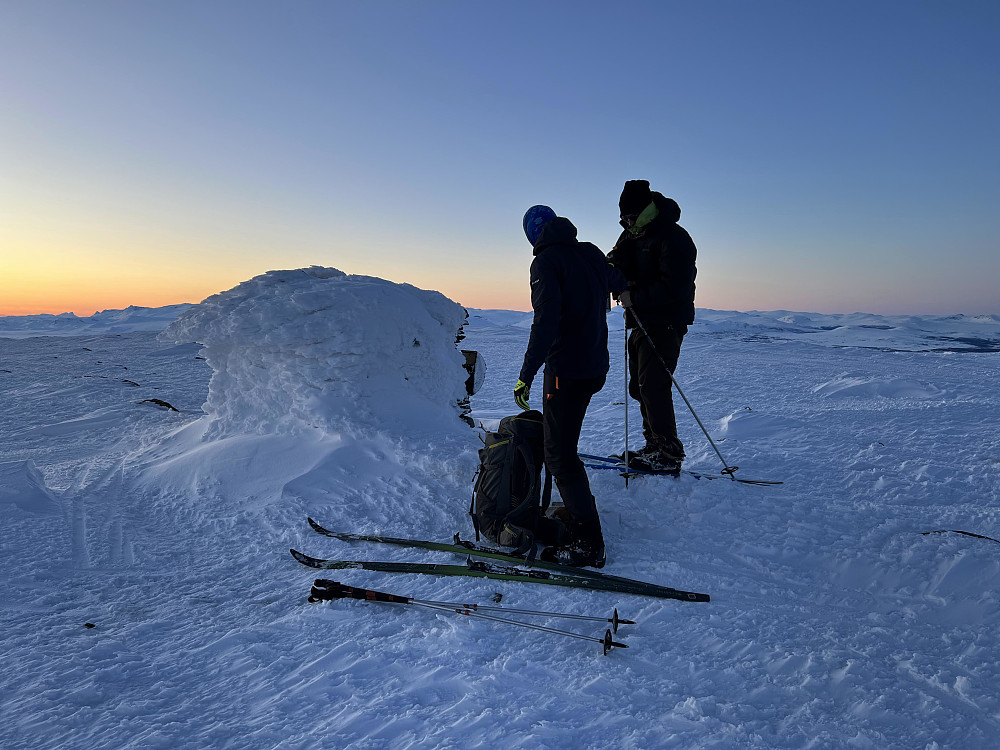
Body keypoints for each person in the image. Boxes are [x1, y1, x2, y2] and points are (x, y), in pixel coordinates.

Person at [514, 205, 626, 568]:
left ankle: (588, 542)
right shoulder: (590, 252)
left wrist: (527, 373)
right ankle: (577, 514)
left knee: (560, 455)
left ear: (533, 234)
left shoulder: (545, 263)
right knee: (562, 446)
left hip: (566, 372)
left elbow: (546, 321)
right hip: (594, 367)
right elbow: (618, 280)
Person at [608, 180, 697, 474]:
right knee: (640, 387)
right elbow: (618, 258)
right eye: (625, 219)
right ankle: (654, 446)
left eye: (632, 217)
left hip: (666, 321)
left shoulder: (674, 237)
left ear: (646, 211)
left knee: (654, 385)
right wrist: (612, 272)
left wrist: (635, 295)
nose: (628, 223)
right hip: (640, 320)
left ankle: (668, 453)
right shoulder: (632, 234)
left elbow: (677, 287)